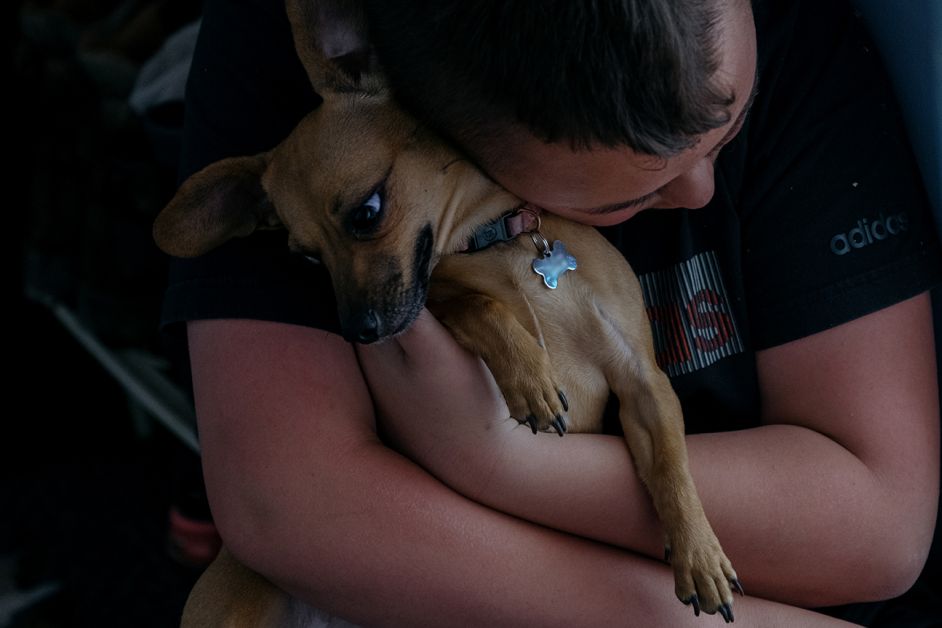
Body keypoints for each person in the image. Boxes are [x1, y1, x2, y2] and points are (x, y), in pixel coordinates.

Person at [161, 0, 942, 624]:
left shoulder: (803, 36)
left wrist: (500, 462)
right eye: (626, 196)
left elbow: (878, 529)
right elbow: (289, 503)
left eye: (729, 128)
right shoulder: (336, 110)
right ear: (455, 141)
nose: (701, 191)